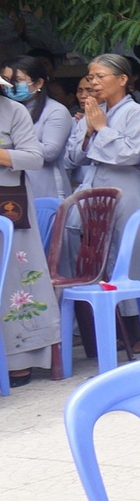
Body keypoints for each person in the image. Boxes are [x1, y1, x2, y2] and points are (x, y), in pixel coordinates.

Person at [64, 53, 140, 262]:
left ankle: (129, 296)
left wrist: (102, 128)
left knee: (127, 251)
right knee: (94, 254)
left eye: (100, 76)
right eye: (91, 77)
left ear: (122, 80)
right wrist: (87, 132)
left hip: (126, 190)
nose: (93, 82)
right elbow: (71, 158)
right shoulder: (93, 112)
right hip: (94, 189)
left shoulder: (138, 112)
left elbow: (130, 154)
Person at [0, 87, 60, 384]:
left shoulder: (13, 111)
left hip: (7, 206)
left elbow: (35, 158)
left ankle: (20, 359)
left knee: (14, 277)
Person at [4, 55, 75, 206]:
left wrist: (12, 142)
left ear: (38, 83)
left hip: (46, 188)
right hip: (13, 186)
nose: (10, 86)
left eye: (17, 81)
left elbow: (50, 151)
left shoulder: (55, 111)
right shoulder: (7, 110)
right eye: (6, 81)